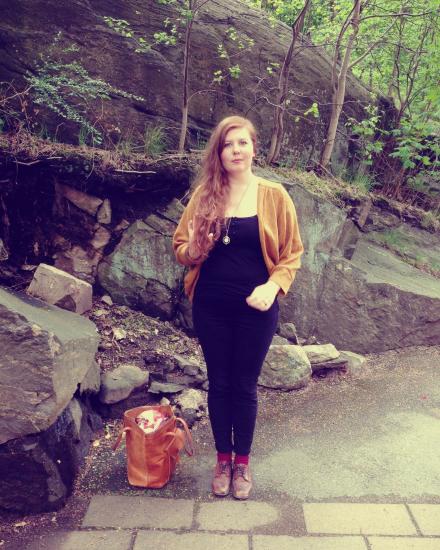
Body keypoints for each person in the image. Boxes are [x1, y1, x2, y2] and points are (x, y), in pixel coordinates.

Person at [173, 115, 303, 500]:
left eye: (242, 143)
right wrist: (193, 249)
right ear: (219, 152)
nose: (236, 150)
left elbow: (292, 253)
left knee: (244, 385)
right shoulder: (204, 196)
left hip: (256, 310)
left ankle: (242, 463)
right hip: (210, 306)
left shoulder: (274, 195)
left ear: (254, 148)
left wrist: (273, 286)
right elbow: (181, 247)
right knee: (220, 382)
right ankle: (222, 461)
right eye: (228, 144)